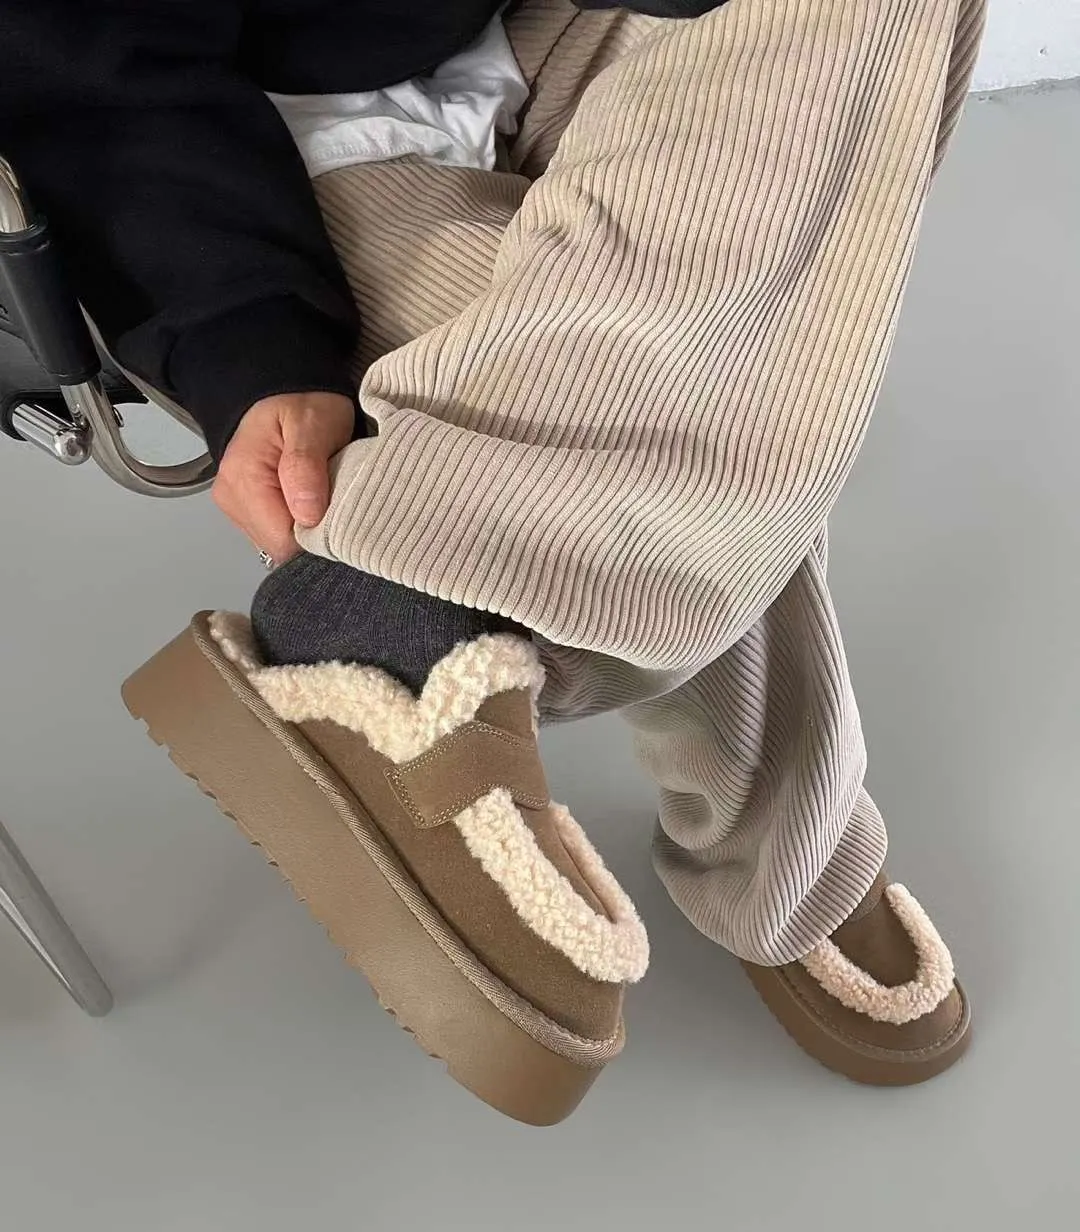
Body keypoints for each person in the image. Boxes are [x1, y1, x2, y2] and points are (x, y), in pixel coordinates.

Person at [3, 0, 981, 1122]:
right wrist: (244, 336)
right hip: (237, 150)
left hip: (518, 25)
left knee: (697, 343)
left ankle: (406, 588)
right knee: (702, 370)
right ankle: (771, 847)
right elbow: (65, 51)